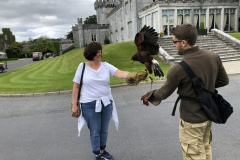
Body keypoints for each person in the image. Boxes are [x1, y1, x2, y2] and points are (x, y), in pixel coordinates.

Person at [141, 24, 229, 160]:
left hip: (191, 121)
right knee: (205, 149)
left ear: (183, 42)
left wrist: (149, 96)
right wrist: (205, 86)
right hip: (208, 115)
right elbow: (224, 81)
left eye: (174, 41)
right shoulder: (213, 56)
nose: (174, 44)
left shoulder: (178, 69)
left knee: (194, 155)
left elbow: (163, 93)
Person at [72, 42, 147, 160]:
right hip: (89, 104)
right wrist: (74, 105)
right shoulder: (82, 67)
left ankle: (102, 151)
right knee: (95, 130)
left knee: (104, 129)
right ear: (91, 53)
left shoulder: (106, 66)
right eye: (98, 52)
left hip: (106, 103)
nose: (100, 54)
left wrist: (135, 75)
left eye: (101, 51)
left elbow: (120, 73)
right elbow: (76, 86)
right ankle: (97, 154)